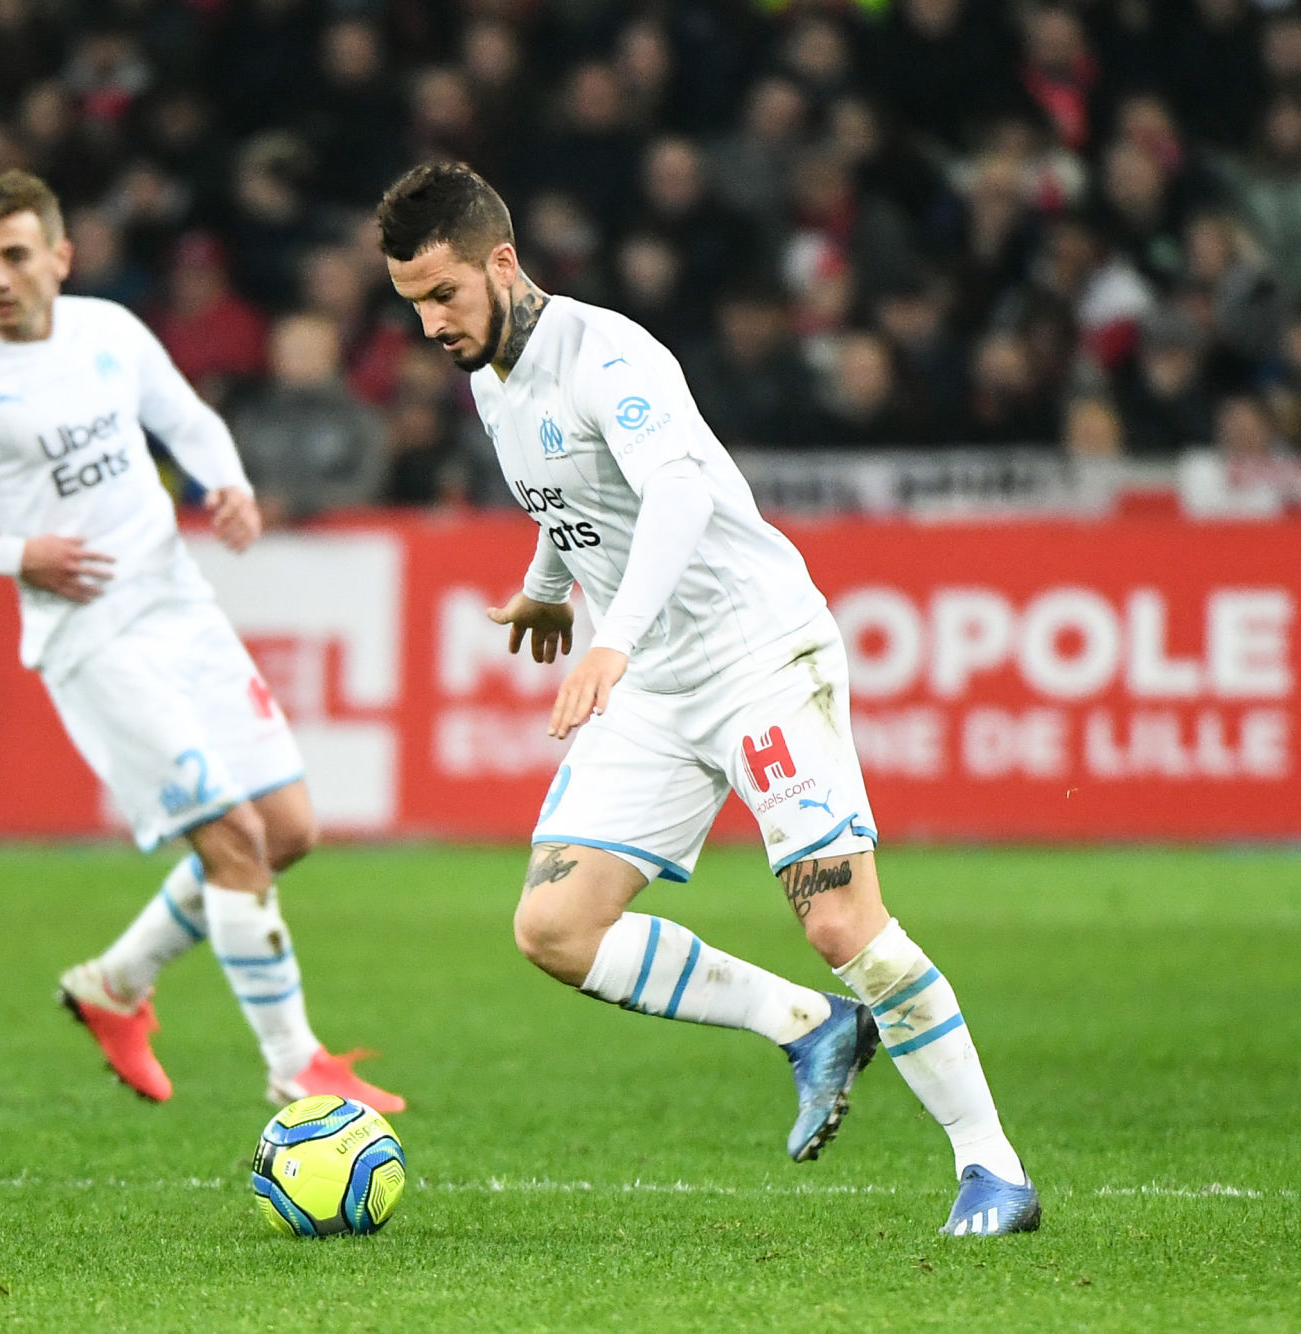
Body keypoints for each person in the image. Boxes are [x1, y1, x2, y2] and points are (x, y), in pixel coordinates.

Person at [376, 162, 1034, 1235]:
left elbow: (676, 488)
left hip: (756, 653)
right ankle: (810, 1026)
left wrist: (612, 640)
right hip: (658, 685)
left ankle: (991, 1166)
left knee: (839, 918)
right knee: (553, 923)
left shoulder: (612, 354)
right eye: (413, 304)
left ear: (502, 260)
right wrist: (550, 590)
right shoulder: (493, 382)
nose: (431, 323)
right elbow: (575, 498)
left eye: (444, 294)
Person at [0, 170, 402, 1113]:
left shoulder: (108, 334)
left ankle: (114, 985)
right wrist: (14, 554)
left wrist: (224, 482)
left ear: (60, 258)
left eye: (15, 255)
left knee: (286, 831)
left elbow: (184, 419)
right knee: (234, 842)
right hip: (91, 637)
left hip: (178, 604)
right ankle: (296, 1070)